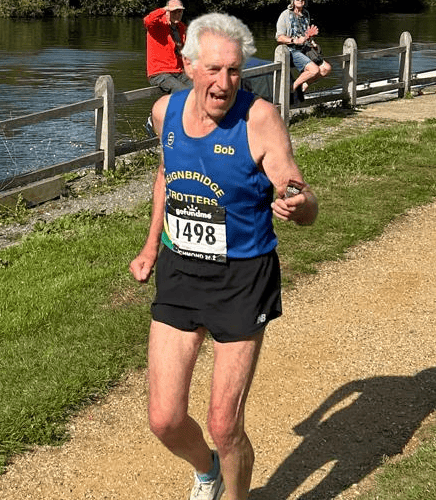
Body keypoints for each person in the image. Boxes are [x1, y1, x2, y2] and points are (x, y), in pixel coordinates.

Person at [129, 12, 318, 500]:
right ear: (189, 66)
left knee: (223, 423)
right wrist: (151, 245)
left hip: (242, 277)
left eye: (234, 71)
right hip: (179, 269)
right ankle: (207, 470)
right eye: (213, 69)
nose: (224, 82)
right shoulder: (164, 112)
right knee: (164, 418)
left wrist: (298, 204)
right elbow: (168, 176)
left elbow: (302, 195)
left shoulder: (259, 119)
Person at [276, 0, 331, 101]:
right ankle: (291, 89)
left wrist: (312, 40)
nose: (300, 0)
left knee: (326, 68)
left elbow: (305, 35)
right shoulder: (285, 15)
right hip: (291, 50)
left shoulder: (306, 14)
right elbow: (279, 38)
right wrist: (294, 40)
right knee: (314, 70)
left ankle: (302, 86)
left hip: (305, 48)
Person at [143, 0, 192, 94]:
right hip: (159, 73)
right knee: (183, 91)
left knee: (200, 88)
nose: (177, 14)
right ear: (167, 12)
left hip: (178, 72)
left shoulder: (181, 28)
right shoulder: (157, 25)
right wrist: (164, 9)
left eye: (179, 11)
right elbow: (147, 20)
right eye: (174, 11)